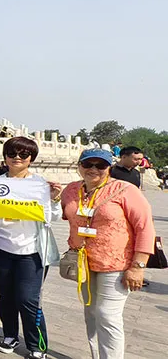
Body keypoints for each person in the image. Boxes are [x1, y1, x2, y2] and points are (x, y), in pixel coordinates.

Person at [62, 149, 154, 359]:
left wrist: (138, 267)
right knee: (91, 314)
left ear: (109, 168)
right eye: (88, 165)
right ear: (79, 166)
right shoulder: (71, 190)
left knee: (108, 315)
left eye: (100, 166)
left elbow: (145, 227)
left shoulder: (125, 190)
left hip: (117, 263)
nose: (93, 169)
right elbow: (66, 213)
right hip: (83, 262)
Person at [0, 137, 62, 359]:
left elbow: (55, 217)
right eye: (12, 154)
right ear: (5, 157)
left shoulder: (39, 184)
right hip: (0, 247)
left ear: (31, 159)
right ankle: (10, 334)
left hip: (31, 252)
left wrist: (55, 199)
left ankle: (37, 344)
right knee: (6, 296)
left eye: (23, 155)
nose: (17, 158)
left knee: (28, 299)